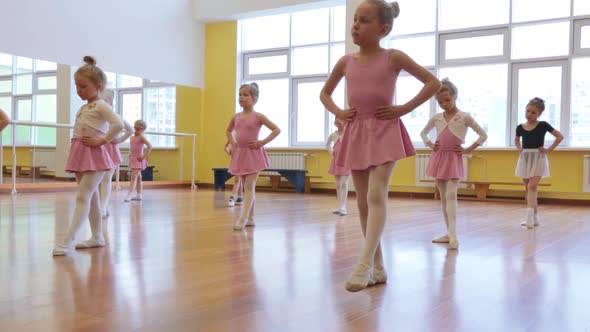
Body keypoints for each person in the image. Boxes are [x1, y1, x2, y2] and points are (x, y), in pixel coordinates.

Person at [319, 0, 440, 291]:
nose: (355, 25)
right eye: (355, 20)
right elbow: (324, 93)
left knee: (376, 193)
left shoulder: (393, 57)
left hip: (385, 128)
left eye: (363, 21)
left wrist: (403, 108)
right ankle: (378, 266)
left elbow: (432, 83)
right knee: (361, 200)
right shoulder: (345, 61)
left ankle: (363, 264)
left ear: (383, 29)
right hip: (356, 130)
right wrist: (338, 111)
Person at [53, 56, 123, 256]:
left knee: (83, 196)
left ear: (98, 85)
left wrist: (102, 141)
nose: (78, 91)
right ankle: (97, 236)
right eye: (76, 86)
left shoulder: (101, 105)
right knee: (90, 197)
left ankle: (67, 240)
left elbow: (117, 123)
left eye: (82, 86)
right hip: (81, 153)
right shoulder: (85, 107)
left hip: (95, 155)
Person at [420, 78, 488, 249]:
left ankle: (454, 234)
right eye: (440, 102)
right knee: (443, 197)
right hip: (438, 157)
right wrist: (430, 144)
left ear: (455, 96)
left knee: (451, 195)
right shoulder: (436, 117)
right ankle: (448, 232)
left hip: (454, 158)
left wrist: (468, 149)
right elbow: (423, 133)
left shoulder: (464, 117)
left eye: (447, 100)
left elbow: (482, 135)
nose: (444, 104)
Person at [226, 83, 280, 230]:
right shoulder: (236, 117)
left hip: (254, 154)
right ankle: (251, 218)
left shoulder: (259, 116)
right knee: (247, 187)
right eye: (240, 95)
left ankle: (242, 218)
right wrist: (233, 144)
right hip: (240, 154)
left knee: (249, 186)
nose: (241, 98)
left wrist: (262, 142)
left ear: (254, 98)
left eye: (245, 95)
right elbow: (228, 131)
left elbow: (276, 130)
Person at [514, 97, 563, 229]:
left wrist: (548, 150)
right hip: (525, 158)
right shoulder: (520, 127)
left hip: (538, 157)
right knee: (528, 189)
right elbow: (517, 141)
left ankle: (529, 217)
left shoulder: (543, 125)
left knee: (532, 187)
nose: (529, 114)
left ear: (539, 114)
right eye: (528, 111)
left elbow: (560, 136)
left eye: (533, 112)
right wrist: (520, 150)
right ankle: (534, 218)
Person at [99, 89, 133, 217]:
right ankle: (102, 205)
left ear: (108, 102)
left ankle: (103, 205)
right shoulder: (97, 116)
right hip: (98, 148)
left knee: (106, 178)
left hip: (110, 150)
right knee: (97, 180)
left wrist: (119, 140)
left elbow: (130, 130)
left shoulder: (116, 116)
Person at [326, 118, 350, 216]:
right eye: (336, 119)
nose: (337, 121)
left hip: (346, 161)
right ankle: (340, 206)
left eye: (340, 119)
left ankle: (343, 206)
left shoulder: (349, 133)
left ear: (345, 121)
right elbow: (328, 145)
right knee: (338, 184)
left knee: (344, 183)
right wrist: (332, 153)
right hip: (336, 161)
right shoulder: (333, 135)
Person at [124, 120, 152, 202]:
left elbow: (149, 146)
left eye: (138, 130)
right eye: (135, 129)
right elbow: (132, 148)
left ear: (143, 130)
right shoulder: (132, 137)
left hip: (138, 159)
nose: (136, 131)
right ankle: (139, 194)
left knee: (133, 177)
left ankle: (129, 194)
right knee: (139, 177)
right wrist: (130, 154)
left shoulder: (141, 137)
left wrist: (144, 156)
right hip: (133, 158)